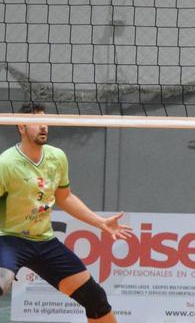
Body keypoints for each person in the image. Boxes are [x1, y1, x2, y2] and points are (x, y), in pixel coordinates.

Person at [0, 102, 132, 323]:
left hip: (44, 242)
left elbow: (65, 197)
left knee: (96, 299)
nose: (44, 127)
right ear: (21, 126)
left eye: (46, 122)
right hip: (10, 239)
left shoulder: (57, 157)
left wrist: (100, 223)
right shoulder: (6, 163)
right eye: (36, 122)